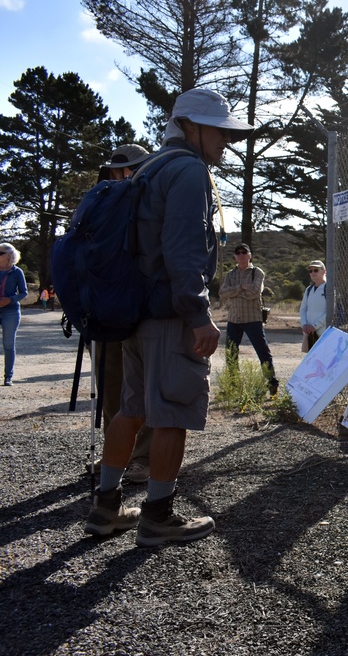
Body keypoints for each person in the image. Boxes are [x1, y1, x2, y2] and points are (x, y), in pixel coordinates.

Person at [84, 88, 253, 546]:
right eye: (220, 131)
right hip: (168, 314)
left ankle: (106, 507)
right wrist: (198, 315)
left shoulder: (149, 167)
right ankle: (158, 516)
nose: (226, 141)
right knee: (173, 410)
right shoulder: (188, 170)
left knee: (132, 408)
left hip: (137, 312)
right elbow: (182, 250)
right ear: (192, 127)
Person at [89, 144, 155, 484]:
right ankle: (117, 454)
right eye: (118, 170)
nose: (124, 175)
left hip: (141, 309)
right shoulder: (97, 204)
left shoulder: (154, 200)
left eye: (131, 168)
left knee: (145, 387)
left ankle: (144, 458)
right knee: (110, 385)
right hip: (104, 311)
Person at [219, 243, 279, 394]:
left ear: (250, 255)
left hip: (252, 318)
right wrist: (240, 288)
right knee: (231, 352)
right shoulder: (231, 274)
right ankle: (234, 385)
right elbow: (223, 293)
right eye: (238, 253)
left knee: (262, 350)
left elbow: (254, 292)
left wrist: (235, 292)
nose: (241, 255)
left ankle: (272, 382)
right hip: (234, 319)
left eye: (244, 252)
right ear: (234, 257)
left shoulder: (257, 273)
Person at [0, 242, 28, 386]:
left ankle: (8, 377)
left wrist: (10, 300)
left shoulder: (17, 272)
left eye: (1, 253)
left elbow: (24, 292)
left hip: (10, 311)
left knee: (8, 344)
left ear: (9, 256)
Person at [299, 260, 328, 351]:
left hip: (323, 332)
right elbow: (303, 309)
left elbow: (331, 311)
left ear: (324, 271)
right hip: (309, 334)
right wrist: (304, 325)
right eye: (310, 271)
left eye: (316, 270)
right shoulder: (309, 289)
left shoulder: (329, 288)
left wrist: (315, 326)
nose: (312, 273)